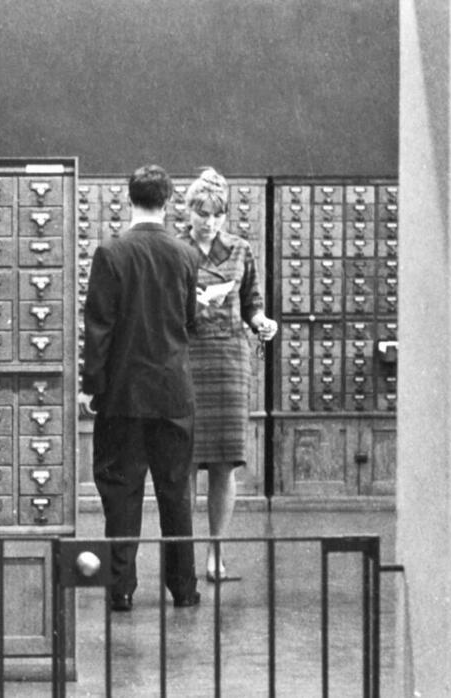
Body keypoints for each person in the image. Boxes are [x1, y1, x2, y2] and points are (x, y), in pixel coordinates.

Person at [81, 164, 202, 610]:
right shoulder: (185, 255)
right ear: (168, 201)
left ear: (127, 199)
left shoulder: (111, 254)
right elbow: (189, 321)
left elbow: (99, 330)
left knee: (121, 493)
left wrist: (92, 387)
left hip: (123, 395)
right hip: (173, 392)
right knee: (176, 494)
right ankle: (183, 588)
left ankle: (121, 588)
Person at [179, 168, 278, 583]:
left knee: (224, 464)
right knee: (182, 463)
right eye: (203, 214)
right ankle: (181, 557)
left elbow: (252, 301)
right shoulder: (174, 249)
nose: (210, 222)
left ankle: (215, 555)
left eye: (217, 215)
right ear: (189, 211)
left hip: (228, 360)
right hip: (187, 356)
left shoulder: (239, 249)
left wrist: (262, 322)